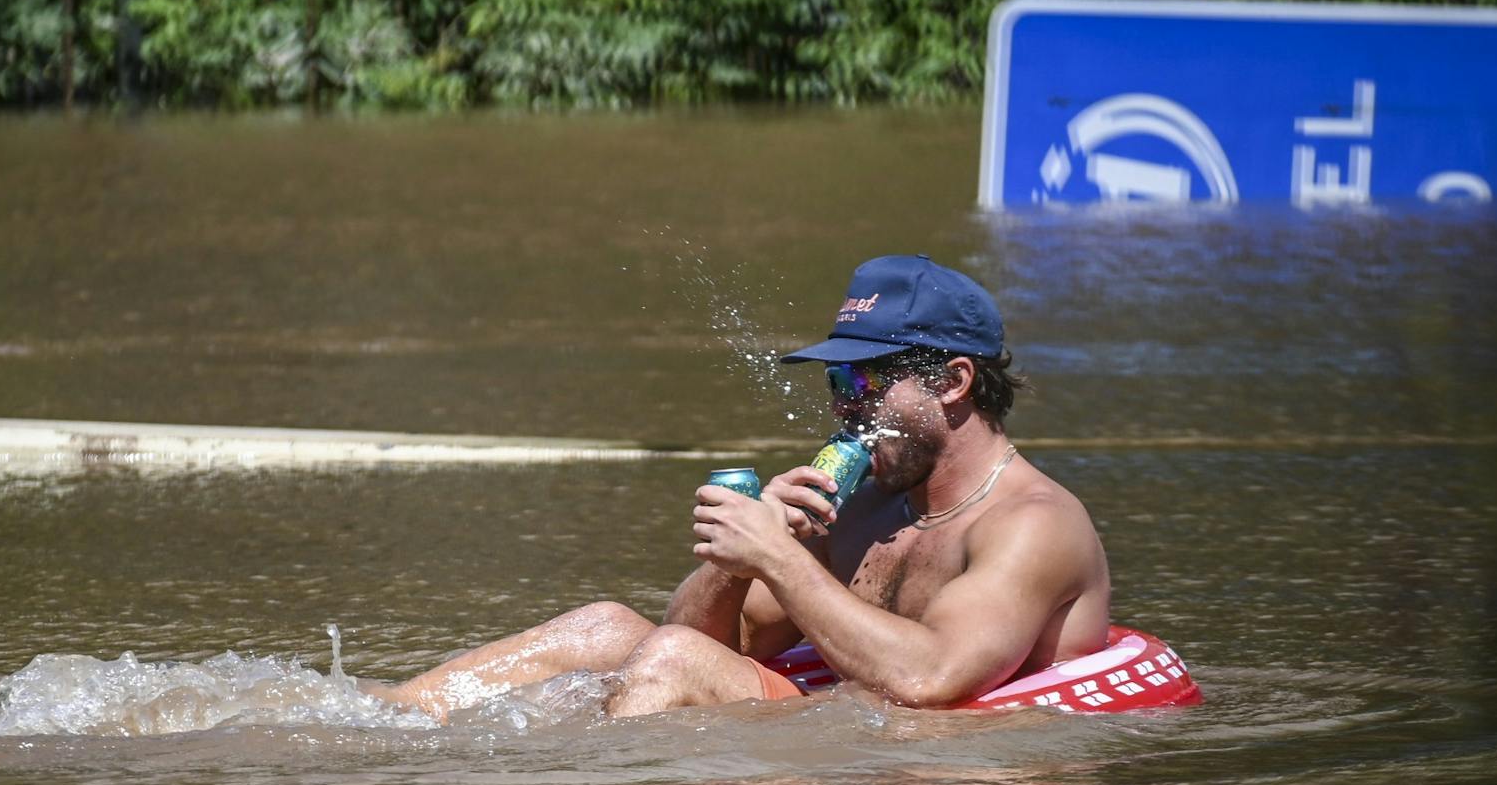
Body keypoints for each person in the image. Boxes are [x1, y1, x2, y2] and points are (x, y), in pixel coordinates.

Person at [371, 254, 1111, 720]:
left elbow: (931, 679)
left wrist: (782, 562)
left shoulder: (1031, 524)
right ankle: (374, 719)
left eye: (861, 379)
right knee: (605, 626)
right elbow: (697, 634)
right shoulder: (867, 502)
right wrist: (740, 559)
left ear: (953, 383)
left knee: (670, 666)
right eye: (833, 380)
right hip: (839, 725)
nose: (841, 406)